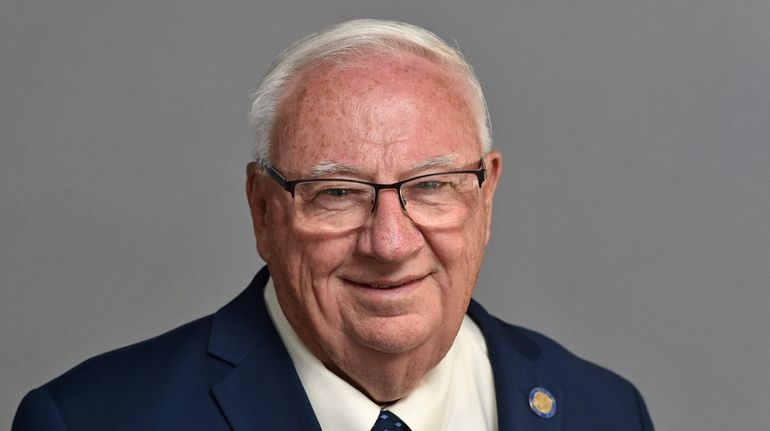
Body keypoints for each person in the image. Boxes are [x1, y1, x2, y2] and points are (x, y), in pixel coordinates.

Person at [12, 19, 653, 430]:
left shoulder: (605, 411)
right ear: (263, 209)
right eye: (338, 194)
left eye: (430, 187)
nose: (390, 243)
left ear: (486, 197)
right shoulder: (94, 419)